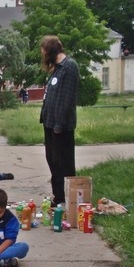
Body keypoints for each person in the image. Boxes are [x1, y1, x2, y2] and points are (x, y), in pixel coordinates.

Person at [39, 36, 79, 207]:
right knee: (52, 160)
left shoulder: (69, 67)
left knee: (63, 162)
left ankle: (67, 198)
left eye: (44, 51)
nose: (43, 55)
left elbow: (67, 98)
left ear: (51, 51)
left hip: (61, 126)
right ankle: (58, 196)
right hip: (49, 122)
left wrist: (59, 124)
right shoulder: (56, 68)